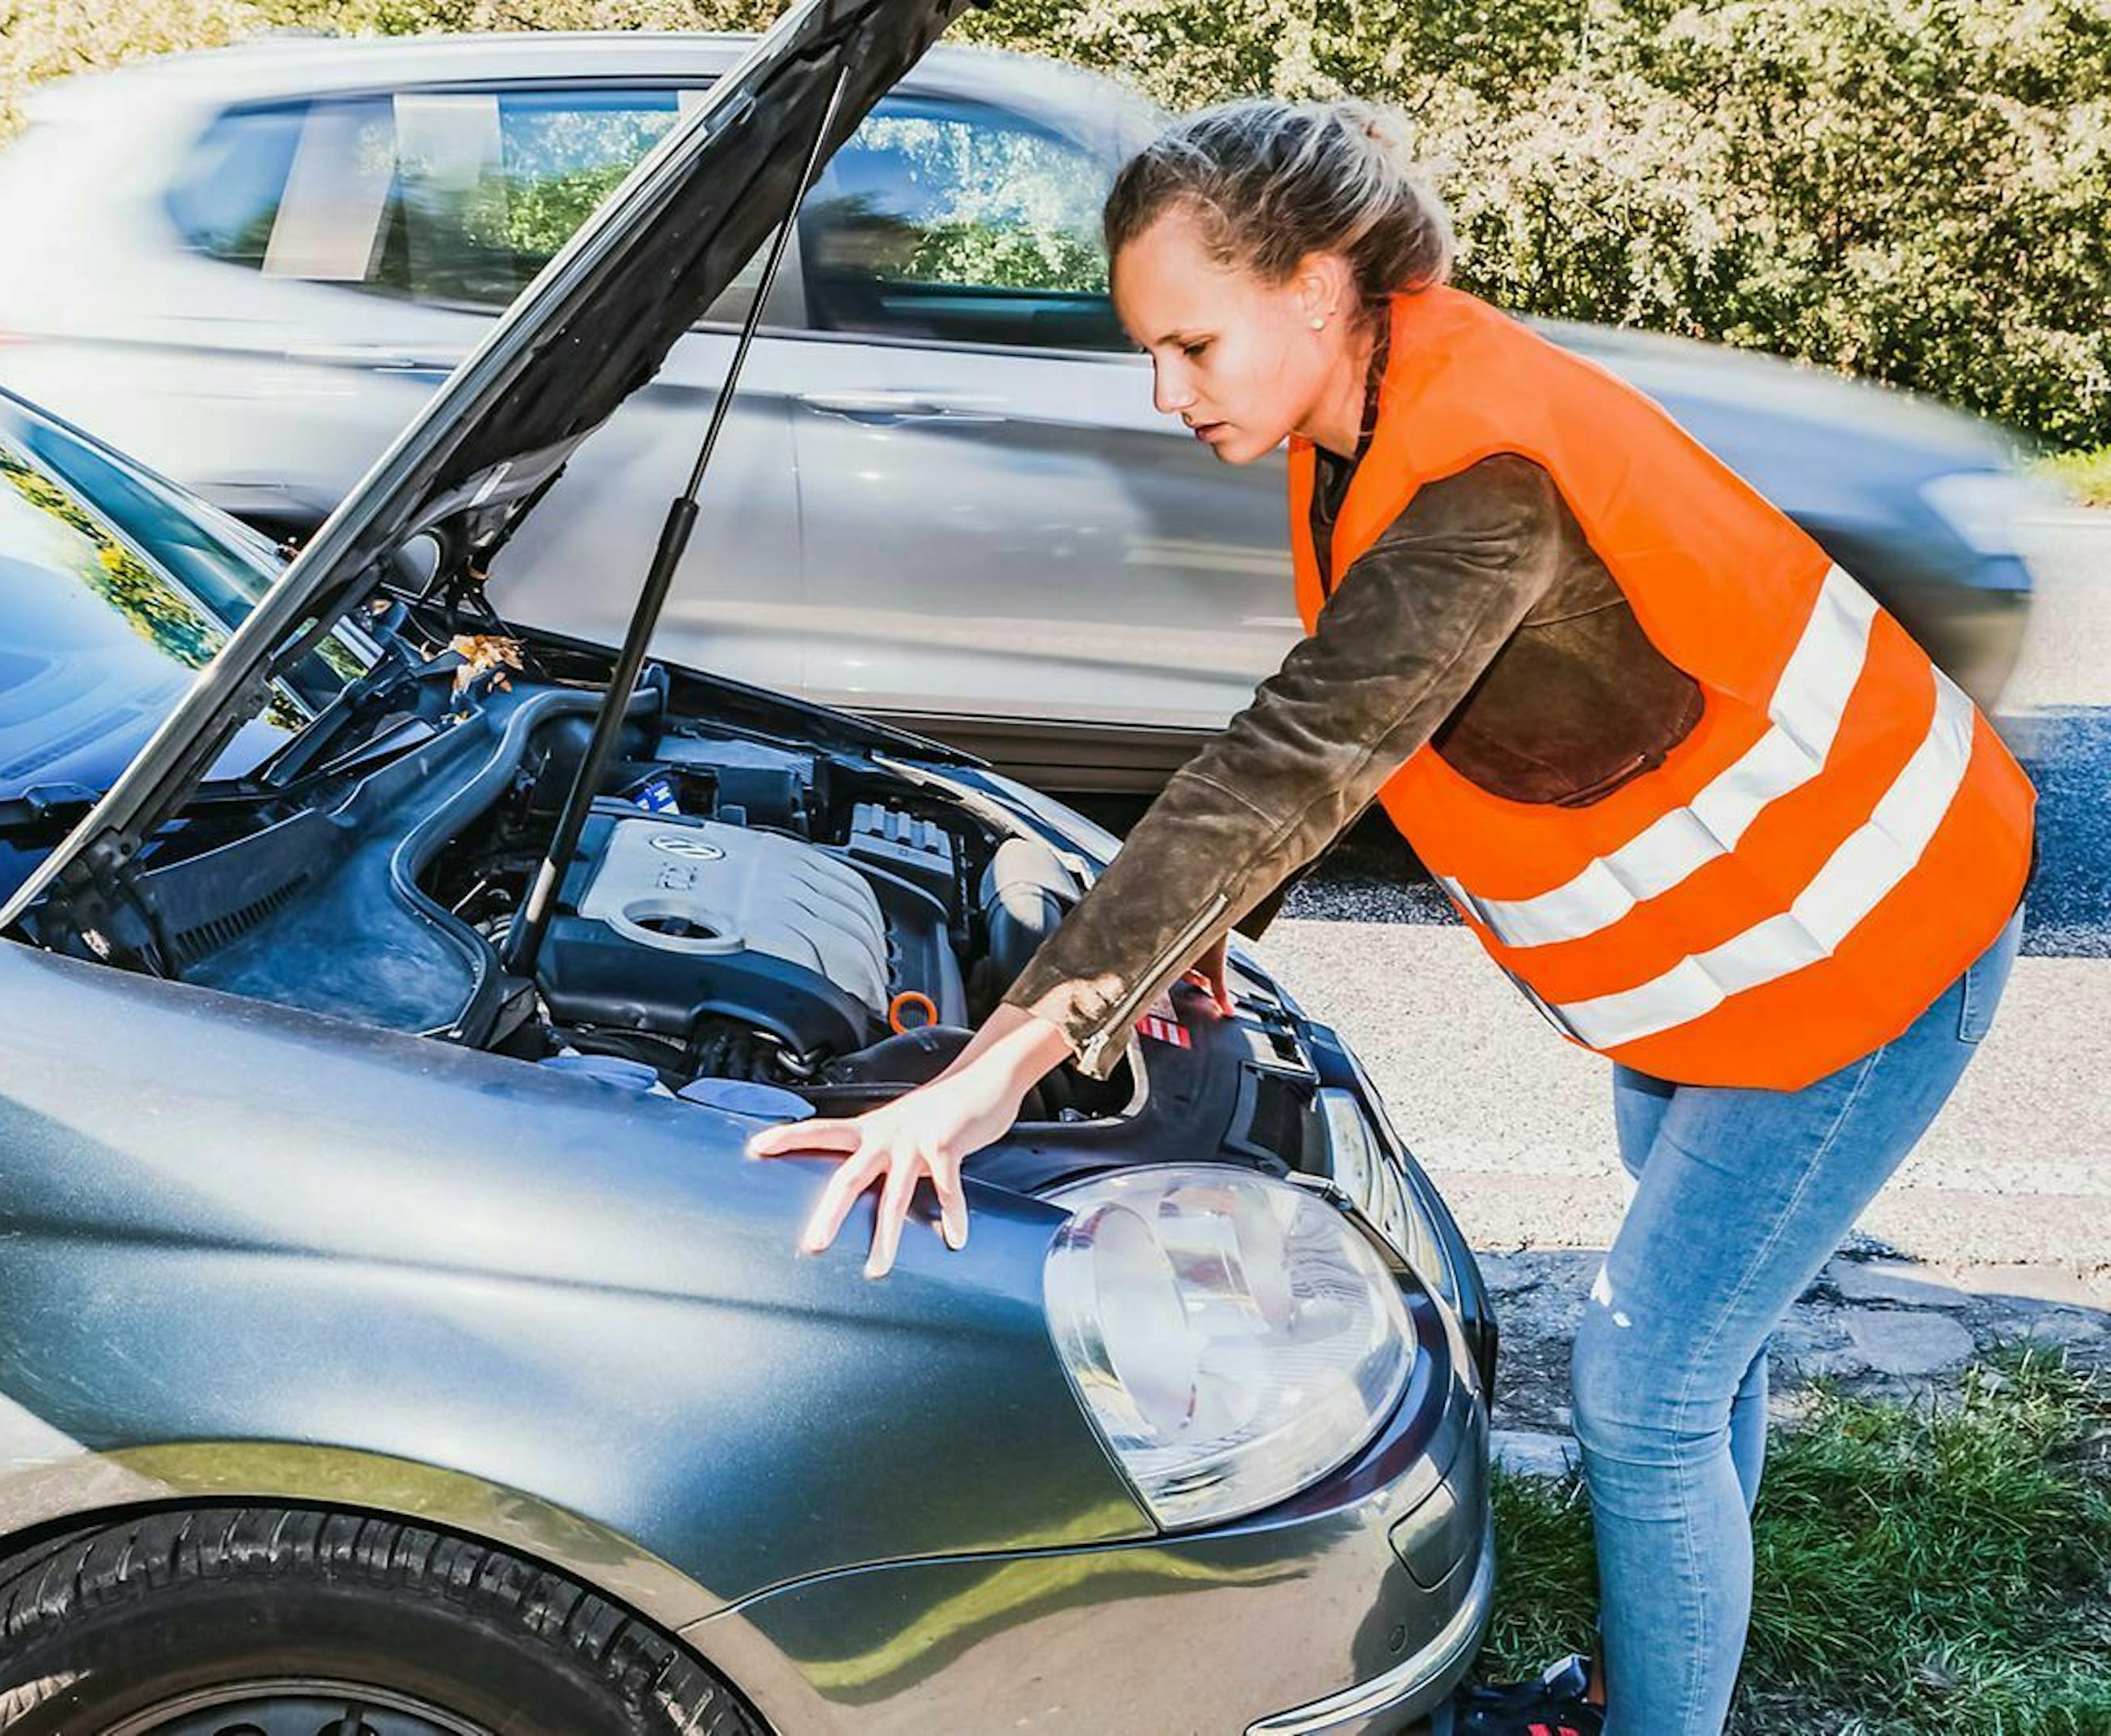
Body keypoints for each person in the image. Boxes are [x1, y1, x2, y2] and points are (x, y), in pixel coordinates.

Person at [745, 97, 2035, 1736]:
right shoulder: (1368, 418)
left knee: (1645, 1393)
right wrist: (1210, 921)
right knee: (1707, 1348)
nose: (1169, 394)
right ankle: (1671, 1665)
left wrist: (991, 1068)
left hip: (1866, 946)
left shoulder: (1479, 476)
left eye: (1195, 345)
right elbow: (1363, 730)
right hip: (1737, 959)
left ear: (1317, 283)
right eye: (1151, 352)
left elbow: (1295, 750)